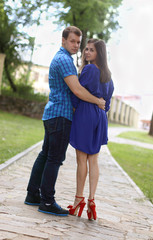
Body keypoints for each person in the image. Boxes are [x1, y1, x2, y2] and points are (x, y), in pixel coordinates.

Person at [24, 27, 106, 216]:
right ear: (63, 41)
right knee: (54, 158)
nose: (77, 45)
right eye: (73, 41)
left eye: (79, 42)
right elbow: (77, 90)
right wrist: (98, 101)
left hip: (53, 113)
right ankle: (47, 201)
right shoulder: (65, 61)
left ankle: (32, 194)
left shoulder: (63, 58)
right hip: (61, 115)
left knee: (45, 155)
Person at [67, 39, 114, 220]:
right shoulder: (109, 76)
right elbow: (107, 104)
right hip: (101, 117)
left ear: (99, 53)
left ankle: (79, 199)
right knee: (93, 160)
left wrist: (76, 109)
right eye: (86, 49)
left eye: (91, 50)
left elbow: (77, 94)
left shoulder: (89, 70)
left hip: (86, 114)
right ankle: (92, 201)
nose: (86, 52)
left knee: (81, 160)